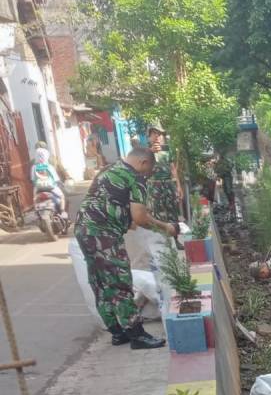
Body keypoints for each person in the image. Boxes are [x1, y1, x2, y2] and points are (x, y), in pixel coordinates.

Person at [75, 145, 179, 350]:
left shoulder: (108, 170)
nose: (147, 175)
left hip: (83, 229)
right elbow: (139, 217)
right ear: (143, 162)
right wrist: (165, 227)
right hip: (104, 233)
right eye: (149, 171)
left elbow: (113, 206)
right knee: (120, 281)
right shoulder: (135, 178)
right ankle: (137, 335)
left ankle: (117, 332)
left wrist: (126, 221)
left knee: (100, 281)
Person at [147, 127, 182, 223]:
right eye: (154, 133)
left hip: (168, 184)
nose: (157, 136)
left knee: (173, 212)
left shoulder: (167, 151)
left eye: (159, 134)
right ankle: (160, 232)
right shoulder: (145, 152)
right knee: (156, 214)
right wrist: (150, 152)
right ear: (149, 137)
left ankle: (174, 230)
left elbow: (173, 169)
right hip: (154, 185)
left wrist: (178, 186)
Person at [31, 146, 65, 214]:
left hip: (39, 188)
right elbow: (56, 179)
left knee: (34, 198)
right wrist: (61, 183)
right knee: (62, 197)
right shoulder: (49, 166)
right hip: (51, 187)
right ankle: (62, 212)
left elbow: (32, 179)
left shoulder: (34, 167)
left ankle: (36, 211)